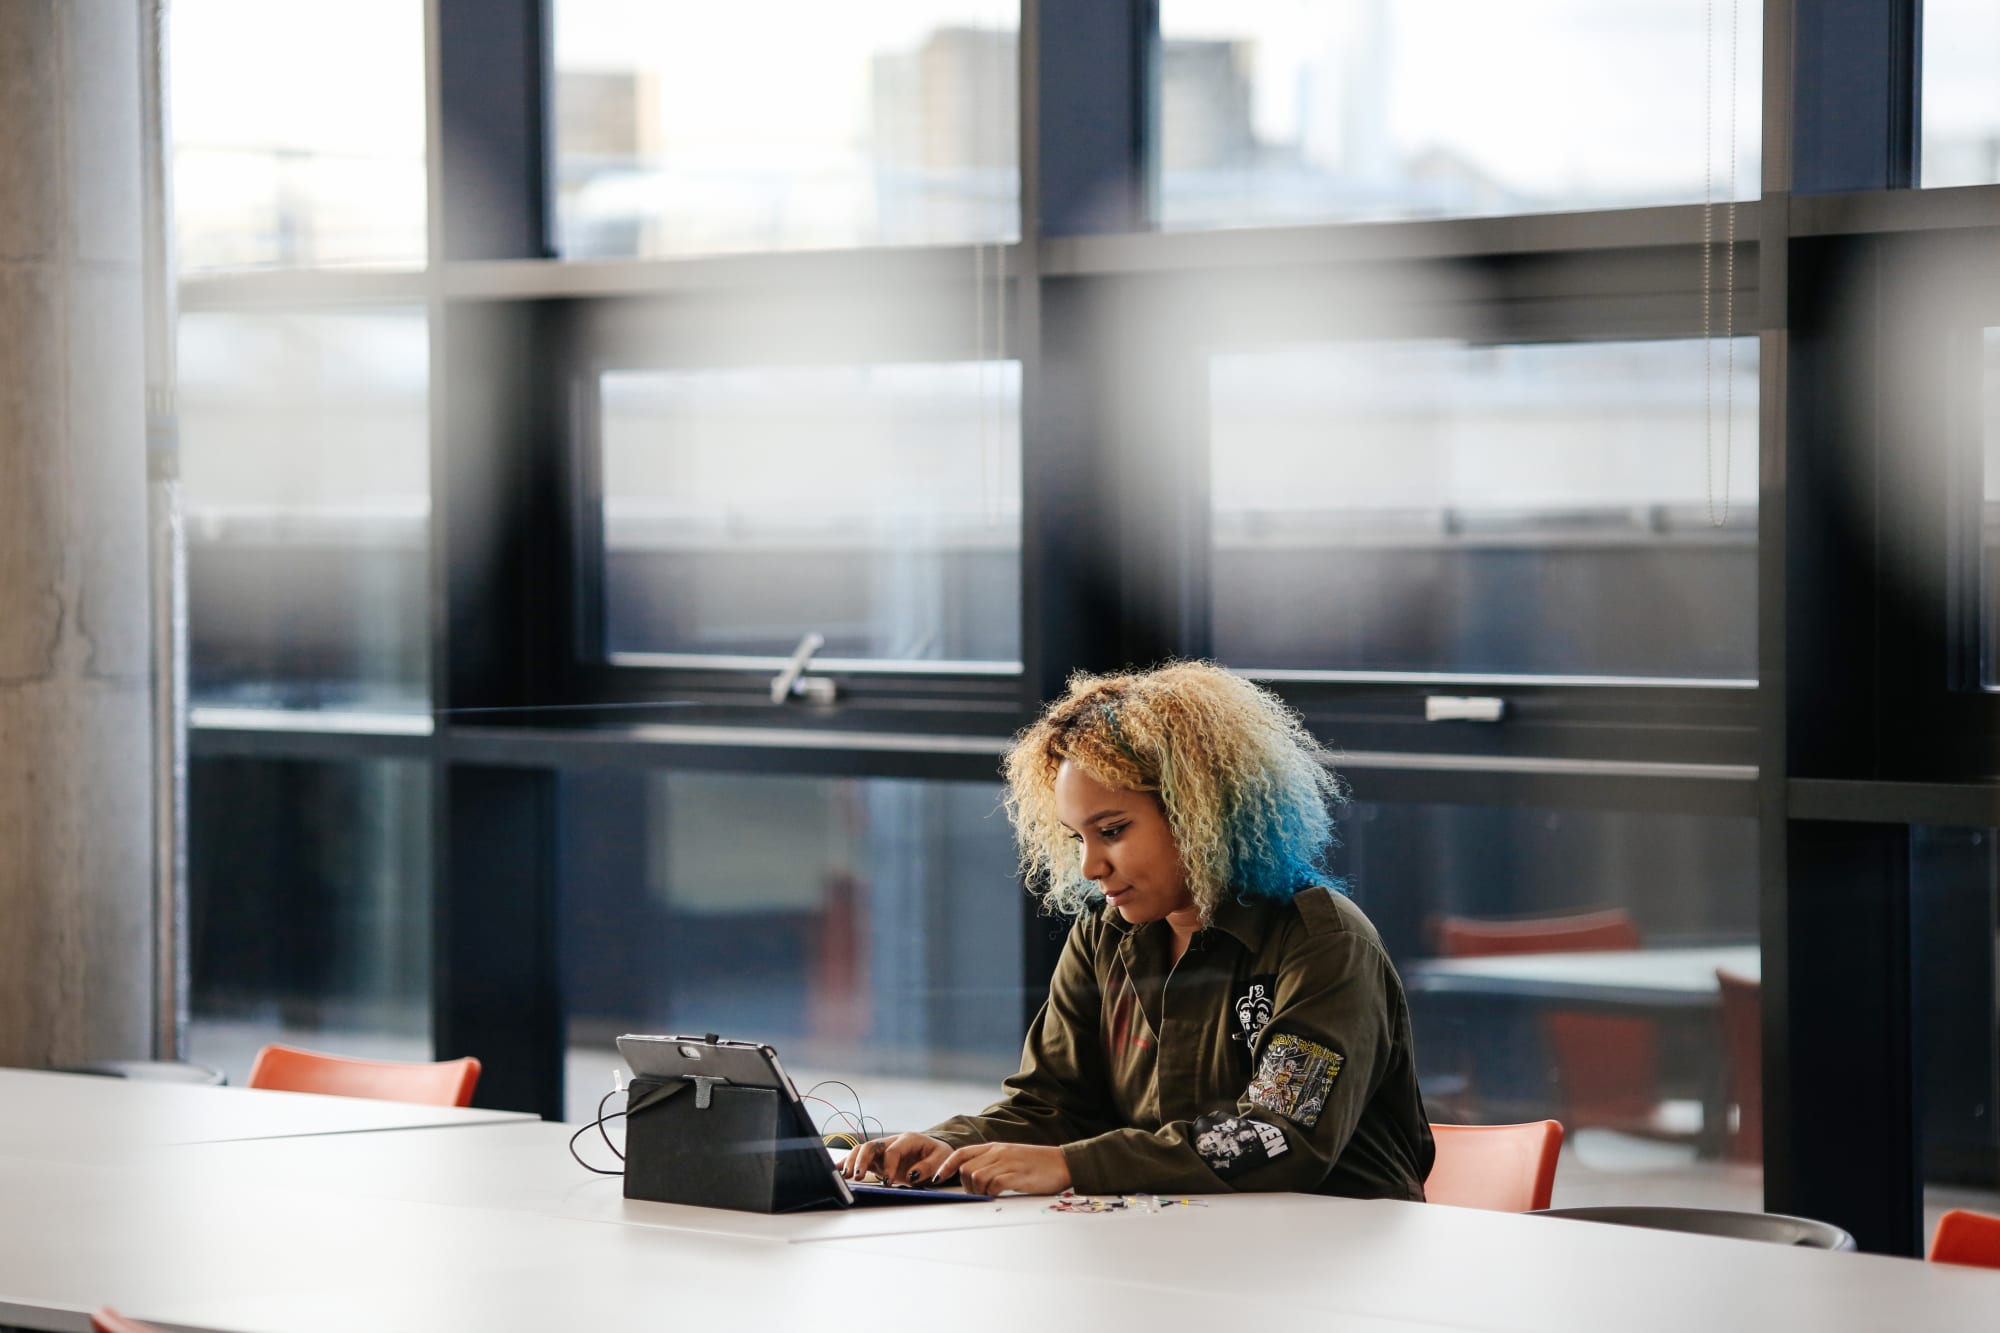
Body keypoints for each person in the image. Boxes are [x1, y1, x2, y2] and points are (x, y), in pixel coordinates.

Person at [840, 661, 1434, 1199]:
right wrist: (950, 1146)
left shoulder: (1324, 942)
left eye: (1114, 830)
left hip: (1335, 1262)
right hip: (1183, 1241)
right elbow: (1050, 1104)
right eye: (1078, 839)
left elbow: (1277, 1138)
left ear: (1202, 810)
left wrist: (1074, 1167)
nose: (1090, 868)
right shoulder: (1105, 934)